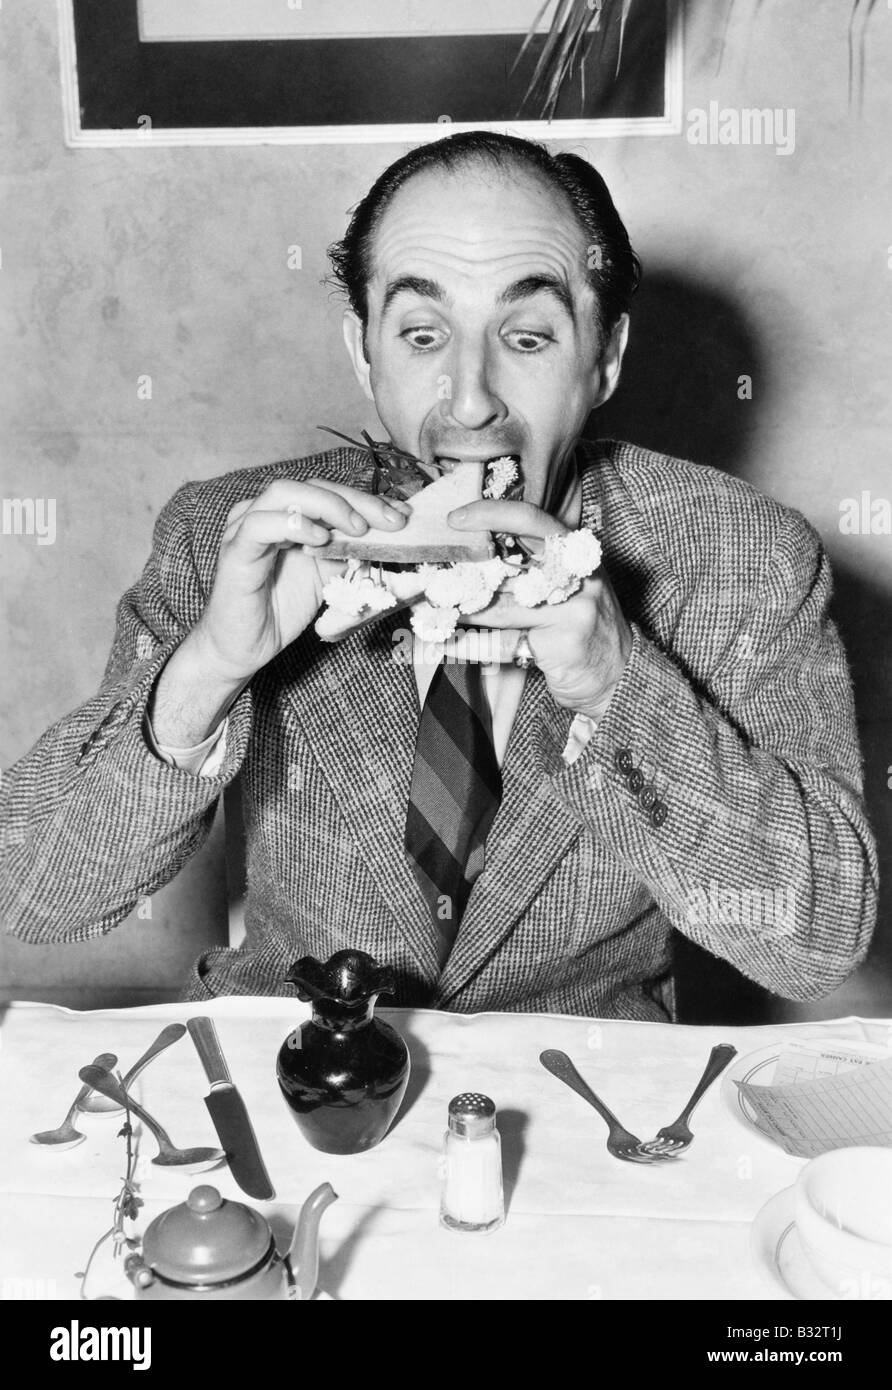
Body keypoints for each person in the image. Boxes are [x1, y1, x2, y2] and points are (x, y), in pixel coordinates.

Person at [0, 132, 877, 1020]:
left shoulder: (743, 558)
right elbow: (34, 893)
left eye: (527, 336)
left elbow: (819, 940)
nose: (469, 398)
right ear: (364, 353)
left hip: (586, 1104)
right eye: (423, 335)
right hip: (299, 1076)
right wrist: (210, 669)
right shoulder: (231, 542)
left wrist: (622, 689)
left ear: (605, 357)